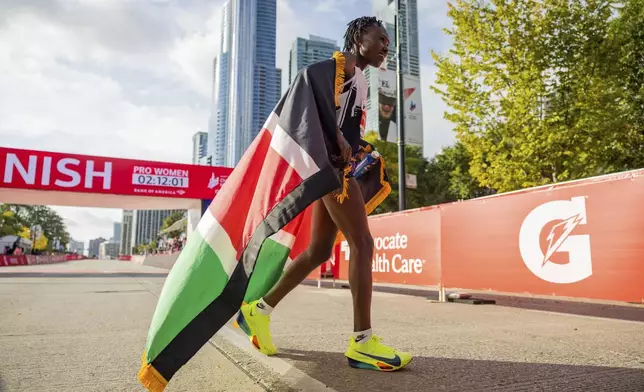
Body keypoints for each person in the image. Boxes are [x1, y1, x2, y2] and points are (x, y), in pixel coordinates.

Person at [236, 16, 412, 372]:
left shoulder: (360, 80)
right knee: (363, 243)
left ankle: (259, 310)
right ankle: (363, 343)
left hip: (333, 169)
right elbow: (306, 81)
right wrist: (338, 137)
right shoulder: (343, 64)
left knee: (317, 251)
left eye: (388, 44)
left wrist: (358, 146)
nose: (385, 48)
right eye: (380, 39)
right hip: (331, 171)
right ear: (360, 37)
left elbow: (342, 122)